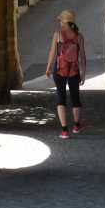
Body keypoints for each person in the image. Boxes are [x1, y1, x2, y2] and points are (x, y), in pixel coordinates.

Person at [45, 9, 85, 139]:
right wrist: (83, 73)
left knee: (61, 98)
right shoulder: (79, 36)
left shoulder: (58, 35)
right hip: (74, 70)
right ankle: (77, 126)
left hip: (60, 69)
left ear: (63, 21)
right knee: (75, 98)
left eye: (61, 20)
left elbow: (52, 52)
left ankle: (64, 130)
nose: (60, 22)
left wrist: (49, 67)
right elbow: (82, 57)